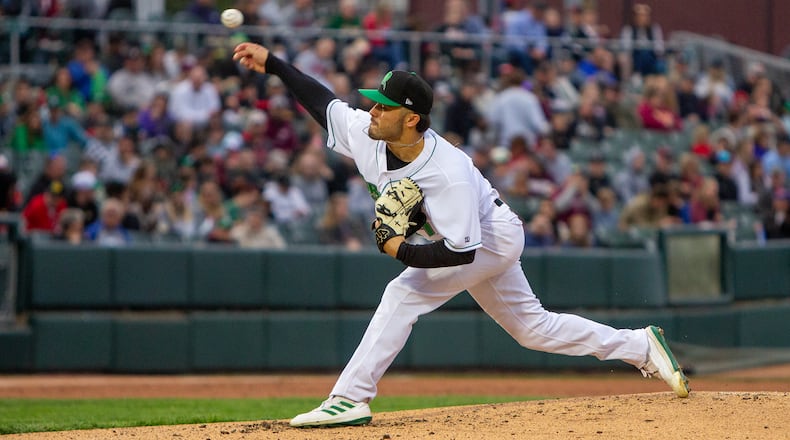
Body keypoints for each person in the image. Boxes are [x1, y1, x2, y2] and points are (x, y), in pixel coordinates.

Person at [232, 41, 690, 428]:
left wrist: (400, 249)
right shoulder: (370, 133)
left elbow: (460, 252)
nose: (372, 110)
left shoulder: (446, 171)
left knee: (402, 293)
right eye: (374, 102)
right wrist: (274, 64)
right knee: (532, 328)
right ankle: (640, 345)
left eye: (384, 106)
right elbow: (322, 103)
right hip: (470, 237)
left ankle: (350, 398)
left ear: (411, 119)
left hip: (488, 237)